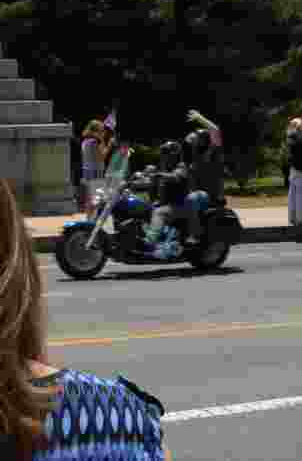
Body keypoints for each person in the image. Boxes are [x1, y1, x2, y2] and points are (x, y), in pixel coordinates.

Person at [0, 178, 171, 460]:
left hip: (178, 204)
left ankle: (156, 244)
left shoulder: (190, 167)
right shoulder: (117, 423)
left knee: (159, 213)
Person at [143, 169, 200, 254]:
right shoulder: (165, 179)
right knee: (145, 208)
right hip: (169, 206)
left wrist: (159, 174)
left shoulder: (180, 177)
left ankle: (150, 240)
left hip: (179, 207)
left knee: (159, 213)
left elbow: (176, 177)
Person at [184, 109, 225, 208]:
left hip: (211, 196)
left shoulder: (214, 150)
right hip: (197, 196)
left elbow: (215, 130)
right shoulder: (195, 155)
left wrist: (199, 118)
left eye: (197, 135)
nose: (193, 136)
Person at [79, 120, 105, 217]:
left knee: (90, 198)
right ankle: (92, 219)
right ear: (94, 132)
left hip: (87, 171)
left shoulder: (85, 141)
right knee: (96, 198)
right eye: (101, 131)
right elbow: (102, 156)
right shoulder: (94, 142)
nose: (103, 133)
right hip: (95, 172)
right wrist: (107, 143)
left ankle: (89, 218)